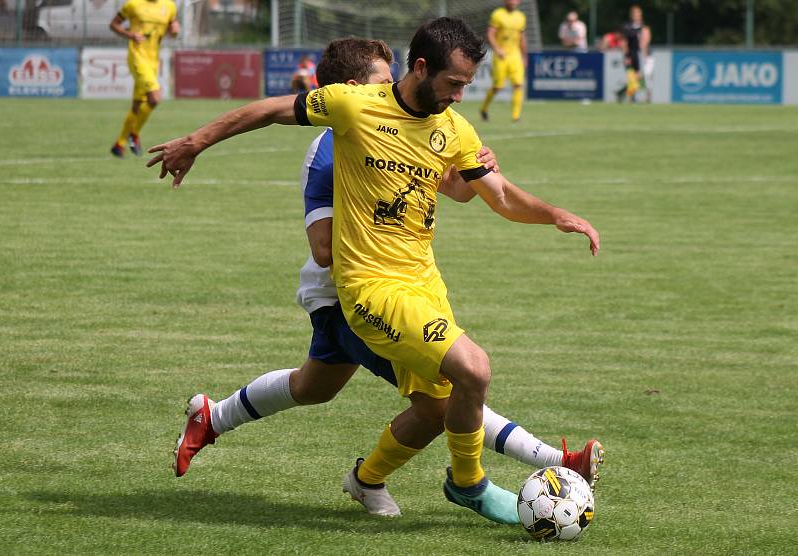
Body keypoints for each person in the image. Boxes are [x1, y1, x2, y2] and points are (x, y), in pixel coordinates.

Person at [149, 17, 601, 526]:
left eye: (467, 86)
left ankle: (360, 477)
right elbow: (269, 110)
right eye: (453, 83)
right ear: (422, 67)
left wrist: (555, 214)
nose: (458, 96)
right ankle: (472, 482)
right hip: (368, 289)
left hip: (425, 284)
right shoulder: (353, 107)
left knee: (425, 405)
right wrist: (196, 140)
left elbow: (497, 194)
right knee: (472, 369)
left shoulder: (454, 128)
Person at [109, 0, 178, 158]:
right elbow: (113, 24)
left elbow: (172, 29)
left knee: (137, 106)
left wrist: (174, 31)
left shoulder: (169, 6)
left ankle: (119, 144)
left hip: (153, 60)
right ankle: (134, 134)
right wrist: (130, 34)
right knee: (155, 97)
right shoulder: (133, 4)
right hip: (137, 57)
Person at [480, 0, 527, 123]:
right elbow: (490, 34)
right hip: (501, 55)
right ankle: (484, 109)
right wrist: (497, 49)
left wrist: (524, 56)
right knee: (498, 86)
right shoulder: (498, 14)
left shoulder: (521, 17)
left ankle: (516, 116)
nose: (513, 2)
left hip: (515, 55)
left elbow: (522, 38)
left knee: (518, 85)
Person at [621, 5, 652, 103]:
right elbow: (624, 42)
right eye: (634, 13)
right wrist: (626, 55)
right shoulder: (627, 27)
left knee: (643, 76)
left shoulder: (644, 28)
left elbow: (645, 40)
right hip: (632, 54)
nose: (636, 15)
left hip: (642, 55)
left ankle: (646, 96)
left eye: (638, 13)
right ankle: (631, 96)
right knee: (632, 76)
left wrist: (642, 53)